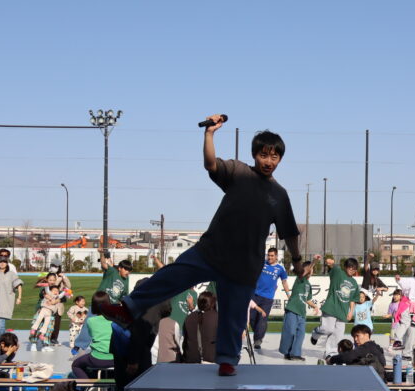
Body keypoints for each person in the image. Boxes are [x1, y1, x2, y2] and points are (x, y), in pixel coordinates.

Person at [100, 116, 302, 377]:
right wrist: (209, 134)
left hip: (244, 264)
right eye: (264, 155)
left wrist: (297, 259)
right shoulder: (239, 172)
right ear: (255, 155)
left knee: (234, 314)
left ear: (280, 160)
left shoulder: (279, 195)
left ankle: (227, 360)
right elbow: (210, 164)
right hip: (211, 251)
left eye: (274, 157)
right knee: (170, 275)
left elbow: (290, 232)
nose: (268, 161)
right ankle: (127, 309)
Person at [310, 258, 360, 360]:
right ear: (345, 267)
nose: (352, 270)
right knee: (327, 328)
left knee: (338, 334)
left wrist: (351, 312)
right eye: (350, 267)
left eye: (354, 268)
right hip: (331, 307)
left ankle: (330, 353)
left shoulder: (354, 283)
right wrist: (331, 263)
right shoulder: (338, 273)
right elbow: (333, 266)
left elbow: (353, 300)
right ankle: (316, 333)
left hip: (343, 312)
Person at [279, 257, 320, 360]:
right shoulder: (300, 279)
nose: (311, 270)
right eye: (309, 268)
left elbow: (307, 299)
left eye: (311, 269)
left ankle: (295, 354)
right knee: (290, 331)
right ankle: (287, 352)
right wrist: (314, 262)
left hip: (302, 313)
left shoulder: (308, 285)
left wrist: (315, 306)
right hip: (292, 310)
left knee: (300, 334)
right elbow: (305, 271)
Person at [250, 247, 290, 350]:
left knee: (262, 319)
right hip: (254, 295)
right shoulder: (262, 263)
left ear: (276, 256)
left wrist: (289, 295)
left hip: (267, 298)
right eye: (268, 255)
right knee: (252, 318)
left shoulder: (280, 269)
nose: (270, 257)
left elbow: (284, 282)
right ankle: (260, 332)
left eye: (272, 256)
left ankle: (258, 340)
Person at [71, 292, 115, 379]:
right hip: (116, 358)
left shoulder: (91, 321)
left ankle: (87, 384)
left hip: (97, 358)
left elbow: (92, 335)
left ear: (93, 307)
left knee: (75, 365)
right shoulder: (116, 319)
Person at [182, 291, 217, 363]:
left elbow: (185, 343)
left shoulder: (189, 318)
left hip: (190, 360)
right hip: (212, 360)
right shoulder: (217, 317)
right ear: (213, 303)